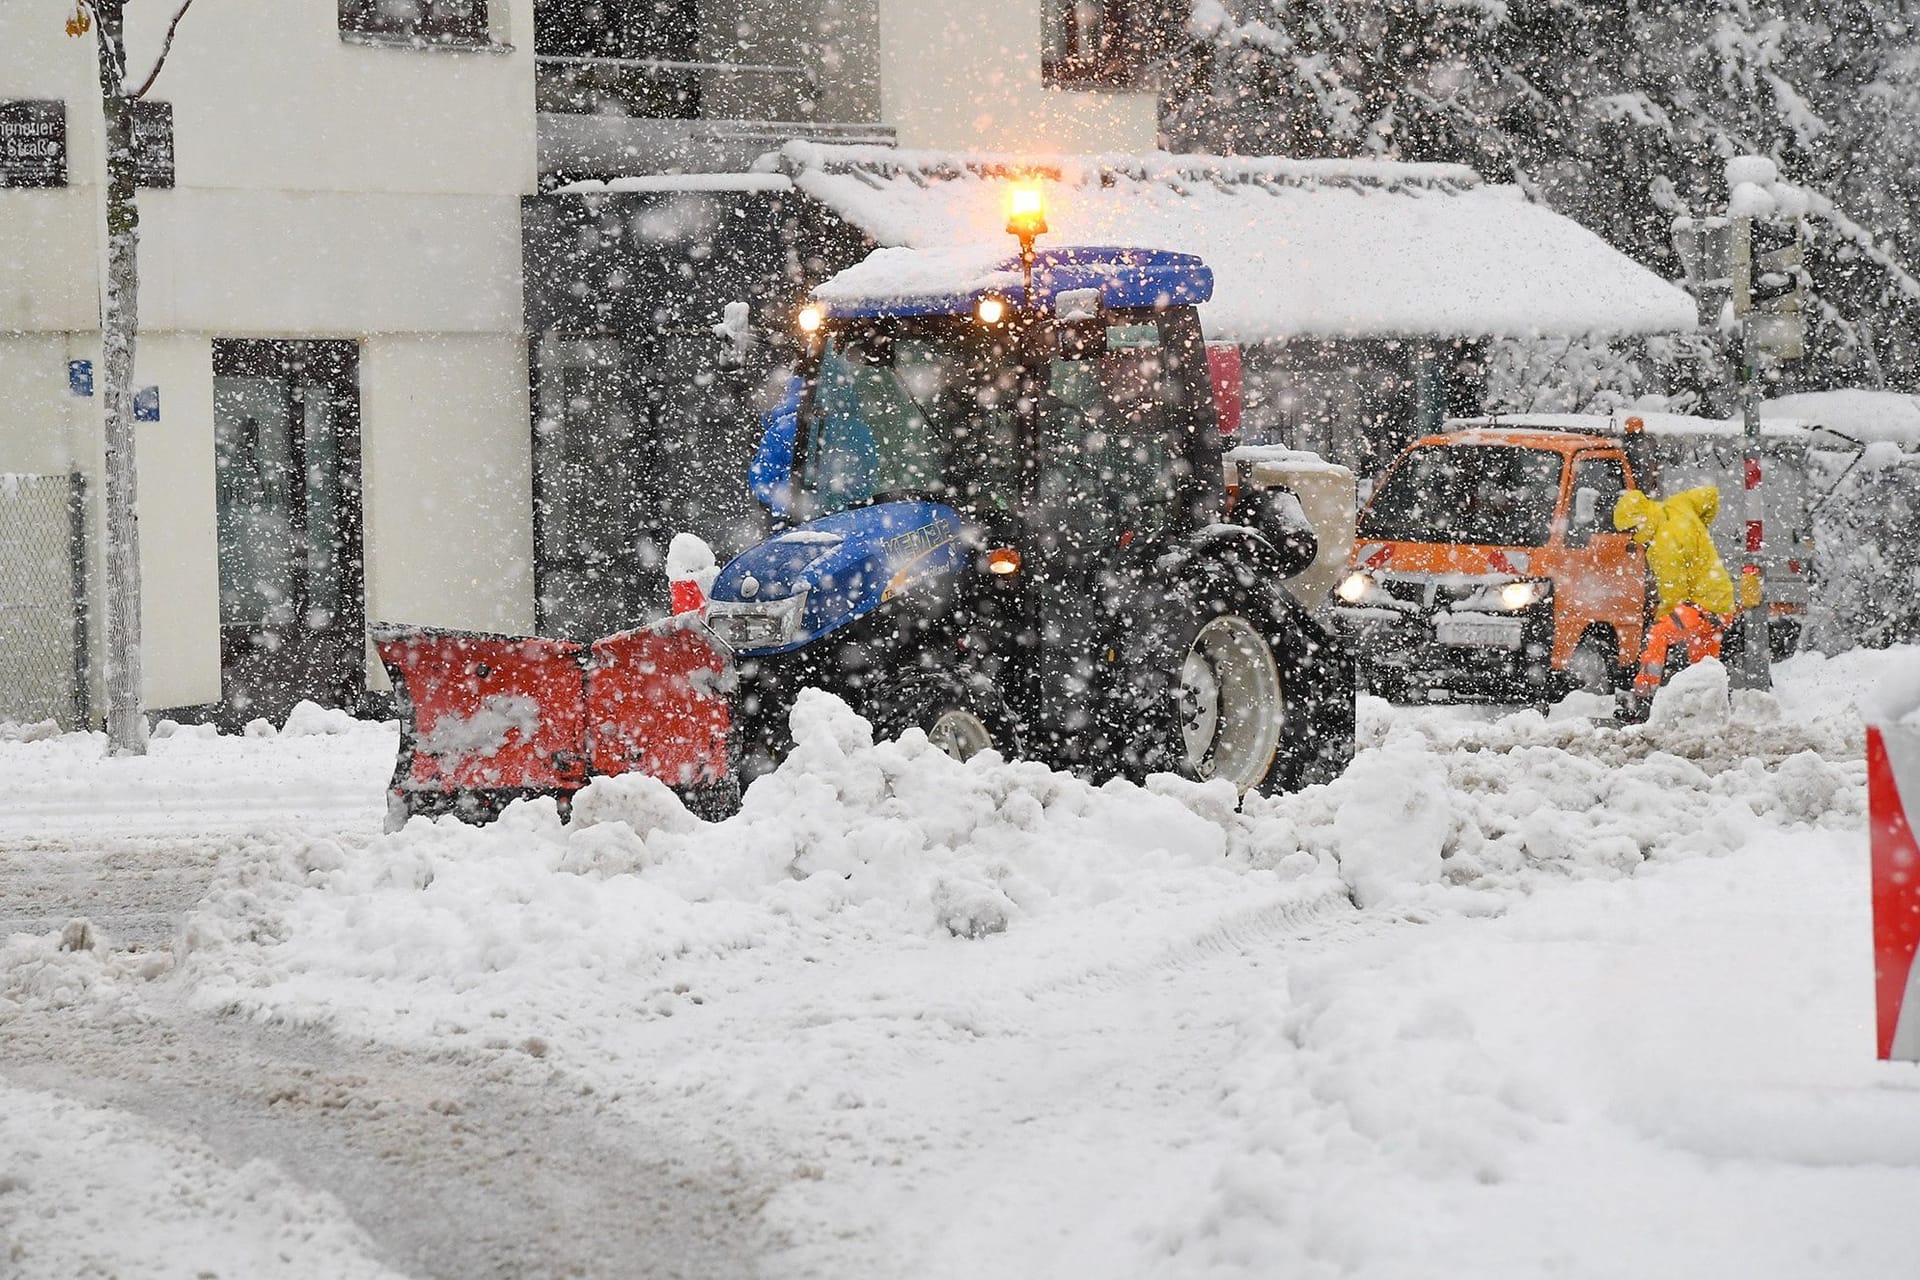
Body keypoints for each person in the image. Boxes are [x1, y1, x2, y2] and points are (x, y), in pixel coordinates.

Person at [1612, 485, 1737, 720]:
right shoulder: (1678, 505)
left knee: (1658, 635)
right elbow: (1711, 494)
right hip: (1721, 600)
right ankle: (1712, 708)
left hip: (1701, 605)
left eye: (1631, 530)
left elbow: (1674, 594)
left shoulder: (1662, 545)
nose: (1631, 537)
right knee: (1704, 664)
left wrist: (1660, 618)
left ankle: (1643, 698)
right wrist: (1700, 532)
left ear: (1640, 521)